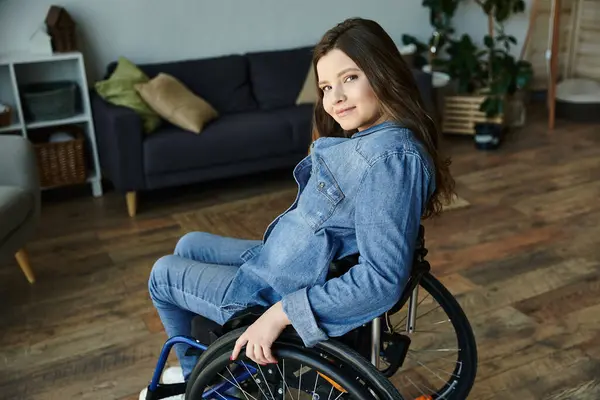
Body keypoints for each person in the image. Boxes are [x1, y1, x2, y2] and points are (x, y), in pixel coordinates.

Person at [144, 16, 455, 390]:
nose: (334, 98)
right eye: (325, 86)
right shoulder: (376, 141)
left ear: (383, 72)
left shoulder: (388, 159)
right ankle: (211, 367)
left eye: (350, 78)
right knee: (189, 242)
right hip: (281, 262)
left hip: (273, 291)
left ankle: (200, 380)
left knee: (162, 273)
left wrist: (281, 313)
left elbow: (380, 280)